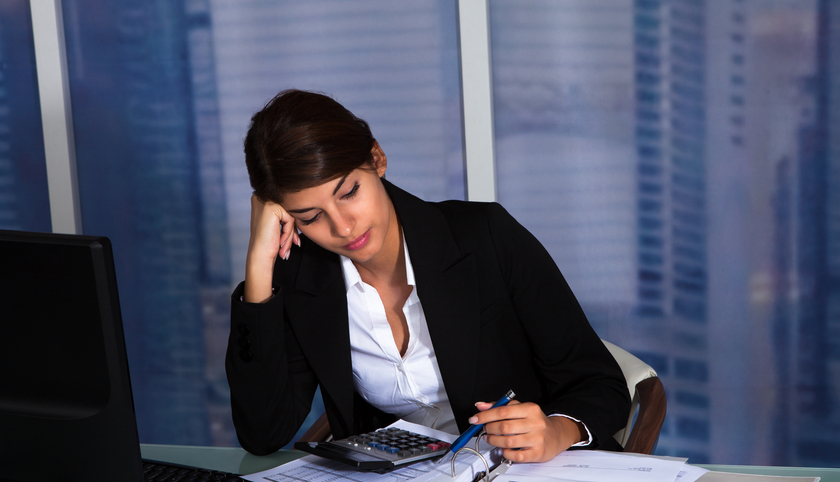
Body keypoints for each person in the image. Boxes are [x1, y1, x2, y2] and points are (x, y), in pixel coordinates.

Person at [225, 89, 630, 463]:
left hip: (522, 479)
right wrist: (259, 268)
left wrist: (559, 429)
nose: (344, 227)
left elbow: (602, 385)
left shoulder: (483, 236)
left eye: (349, 192)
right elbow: (263, 433)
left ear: (377, 159)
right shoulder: (302, 281)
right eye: (311, 217)